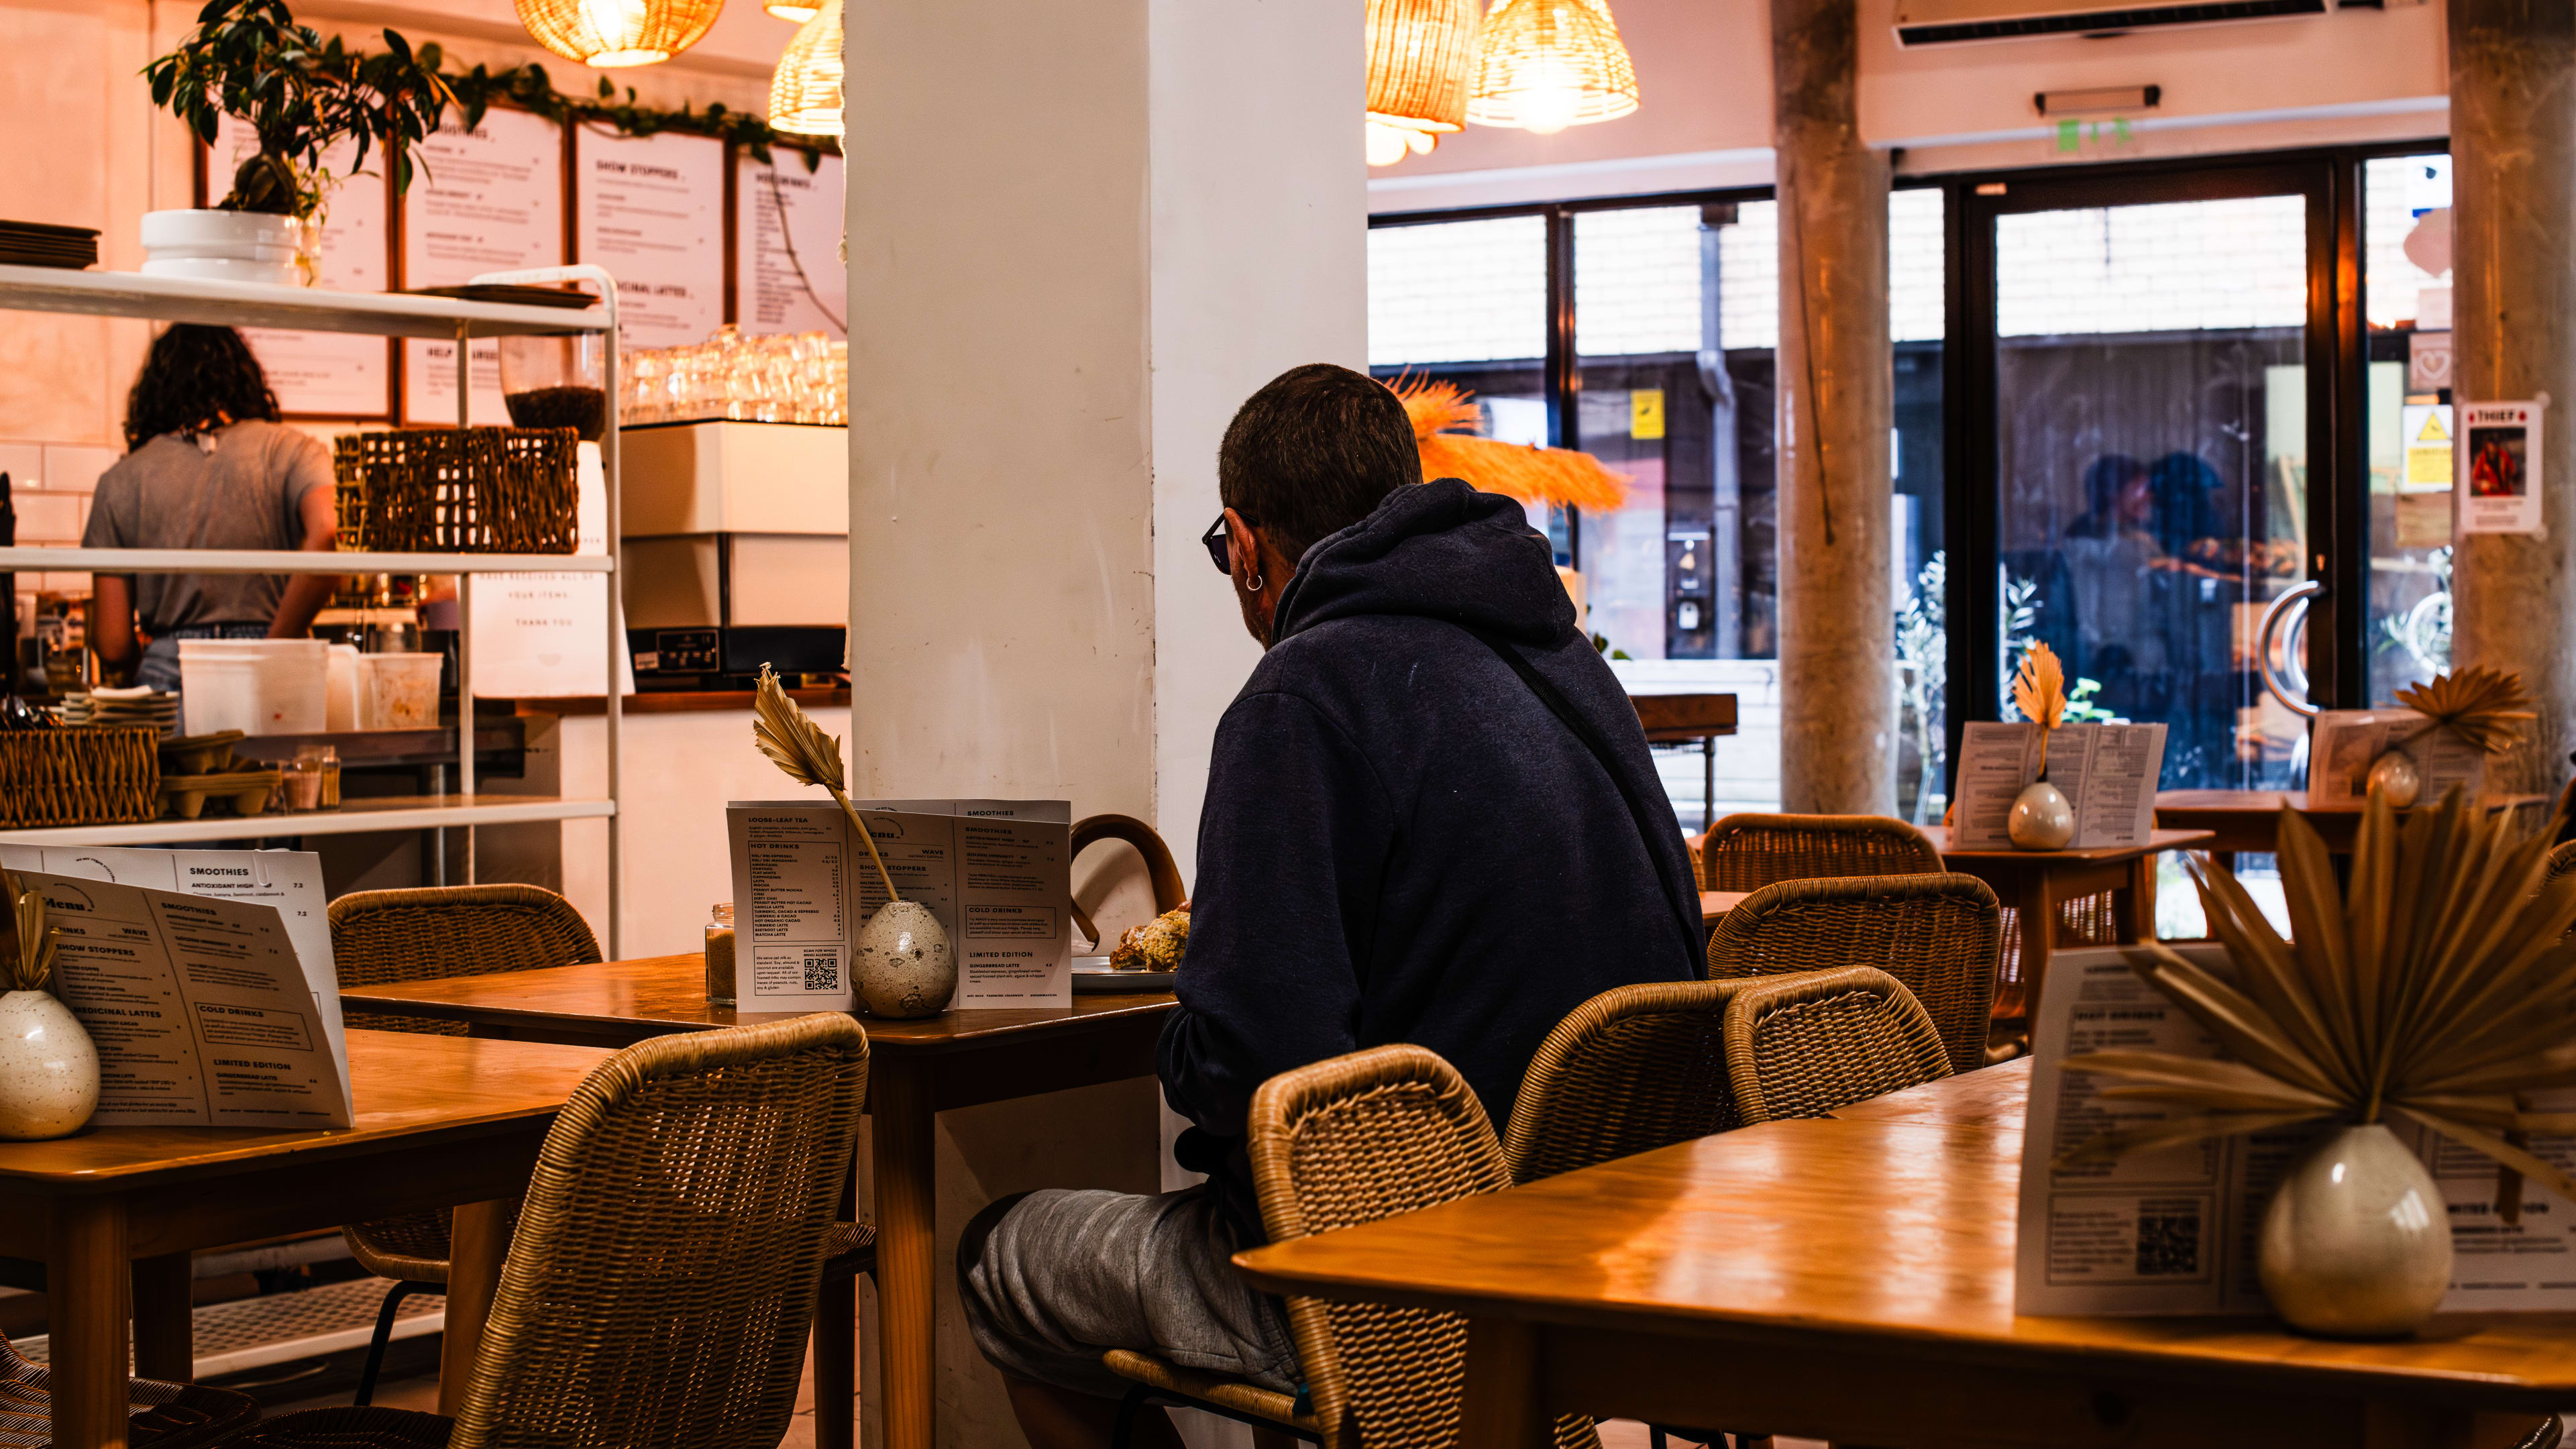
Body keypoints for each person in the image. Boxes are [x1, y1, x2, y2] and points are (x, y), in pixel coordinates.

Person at [959, 364, 1703, 1449]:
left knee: (1005, 1259)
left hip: (1402, 1276)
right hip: (1601, 1240)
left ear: (1246, 546)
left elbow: (1261, 1067)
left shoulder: (1301, 698)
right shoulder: (1567, 665)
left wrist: (1187, 1036)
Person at [84, 325, 339, 690]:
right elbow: (327, 533)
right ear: (246, 377)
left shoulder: (121, 479)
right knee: (282, 752)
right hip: (280, 664)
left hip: (170, 668)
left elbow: (112, 644)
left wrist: (143, 670)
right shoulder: (294, 450)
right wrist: (274, 648)